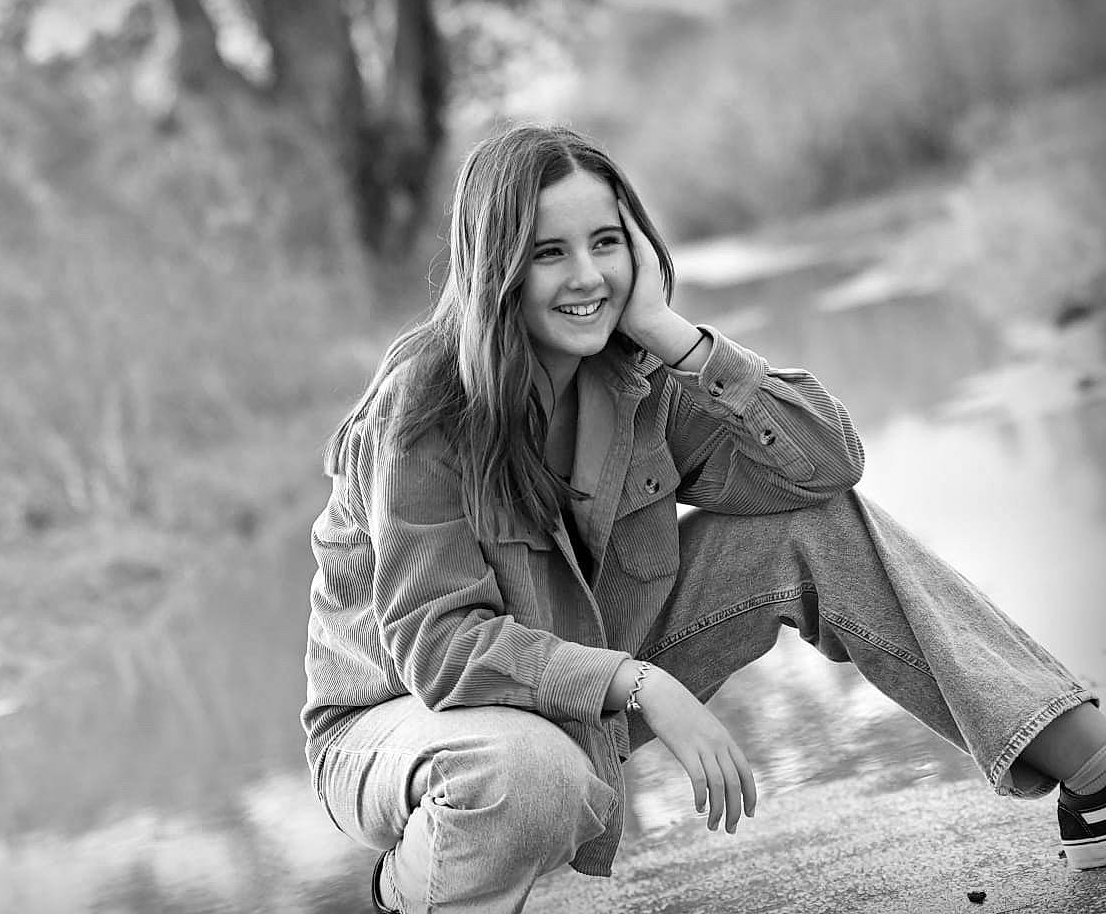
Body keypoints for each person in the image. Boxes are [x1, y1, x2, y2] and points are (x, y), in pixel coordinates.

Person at [299, 124, 1106, 913]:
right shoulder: (424, 408)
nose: (587, 276)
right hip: (401, 726)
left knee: (808, 525)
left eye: (606, 243)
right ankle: (409, 893)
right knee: (531, 776)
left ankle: (1092, 768)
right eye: (550, 253)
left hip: (575, 679)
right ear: (497, 269)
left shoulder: (634, 372)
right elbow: (440, 651)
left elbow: (825, 466)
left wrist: (667, 331)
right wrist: (640, 683)